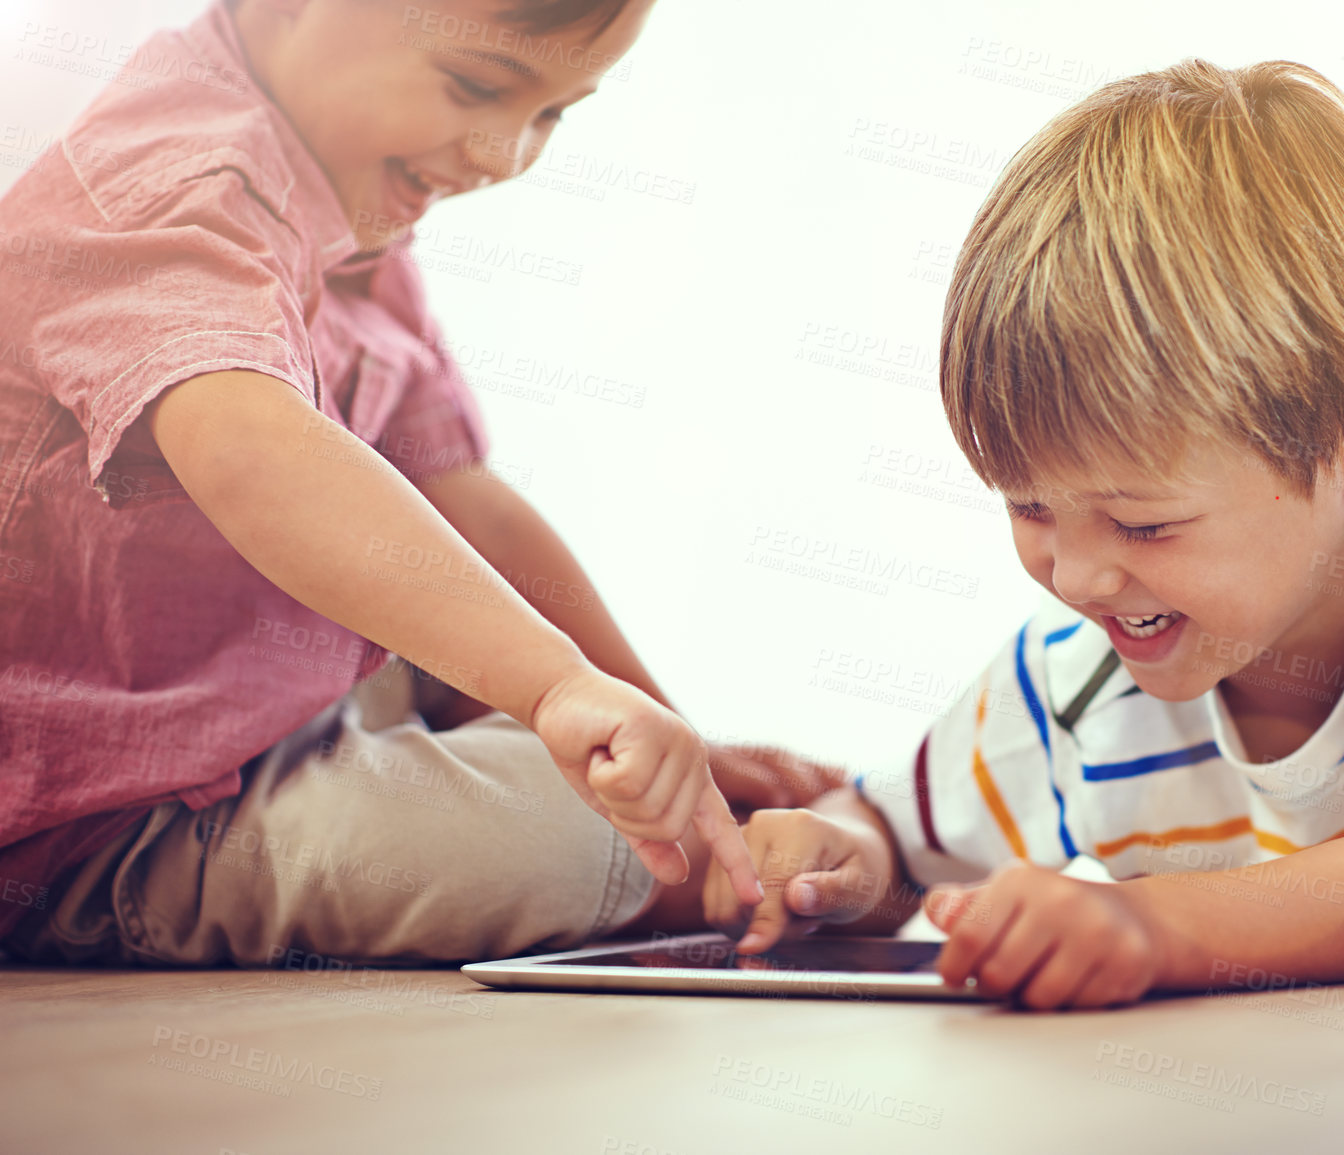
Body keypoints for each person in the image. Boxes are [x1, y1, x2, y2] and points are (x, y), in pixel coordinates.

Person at [691, 60, 1344, 1009]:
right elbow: (889, 833)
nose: (1079, 576)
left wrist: (1142, 925)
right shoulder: (1080, 678)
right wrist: (831, 861)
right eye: (1029, 506)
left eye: (1144, 522)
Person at [0, 0, 839, 967]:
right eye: (477, 87)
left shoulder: (344, 199)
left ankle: (707, 832)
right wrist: (553, 687)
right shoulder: (171, 183)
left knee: (505, 678)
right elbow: (249, 450)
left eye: (553, 112)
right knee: (557, 842)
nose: (501, 153)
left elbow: (461, 497)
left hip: (274, 709)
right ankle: (743, 875)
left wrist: (655, 733)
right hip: (111, 821)